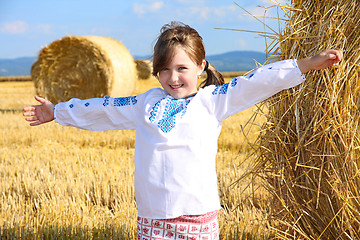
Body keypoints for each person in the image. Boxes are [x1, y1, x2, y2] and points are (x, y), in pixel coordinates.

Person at [23, 21, 342, 240]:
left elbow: (256, 82)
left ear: (201, 66)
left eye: (181, 69)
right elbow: (104, 108)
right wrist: (57, 111)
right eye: (164, 70)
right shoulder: (145, 102)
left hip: (196, 216)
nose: (173, 77)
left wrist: (306, 64)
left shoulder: (213, 100)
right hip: (151, 218)